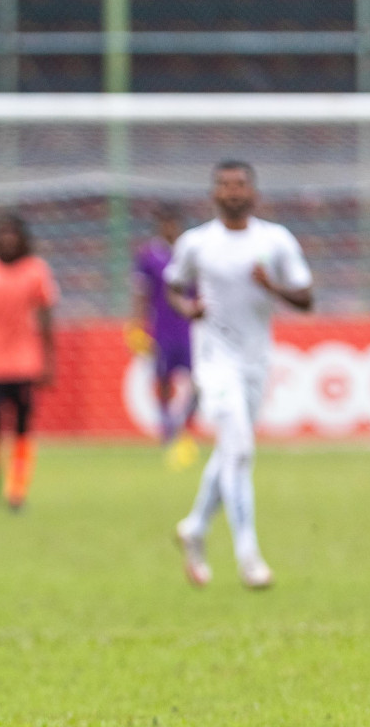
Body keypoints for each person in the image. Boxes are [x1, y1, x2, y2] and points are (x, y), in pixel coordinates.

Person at [167, 160, 313, 590]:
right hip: (213, 361)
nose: (233, 192)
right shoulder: (196, 243)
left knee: (231, 452)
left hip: (255, 361)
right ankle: (248, 556)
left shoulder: (275, 240)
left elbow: (306, 297)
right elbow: (175, 286)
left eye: (240, 185)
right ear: (213, 194)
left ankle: (194, 527)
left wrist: (272, 288)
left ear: (254, 192)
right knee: (242, 450)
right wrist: (188, 309)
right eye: (225, 185)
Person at [0, 213, 58, 510]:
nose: (8, 239)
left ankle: (17, 490)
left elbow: (46, 320)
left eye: (13, 234)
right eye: (3, 233)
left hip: (25, 362)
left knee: (22, 427)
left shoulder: (36, 271)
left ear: (22, 238)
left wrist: (48, 362)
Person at [130, 205, 198, 469]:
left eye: (173, 224)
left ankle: (186, 427)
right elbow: (141, 293)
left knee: (197, 383)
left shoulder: (189, 254)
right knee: (164, 380)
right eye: (165, 224)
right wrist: (136, 326)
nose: (170, 229)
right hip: (161, 329)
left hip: (191, 329)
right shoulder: (148, 256)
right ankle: (168, 429)